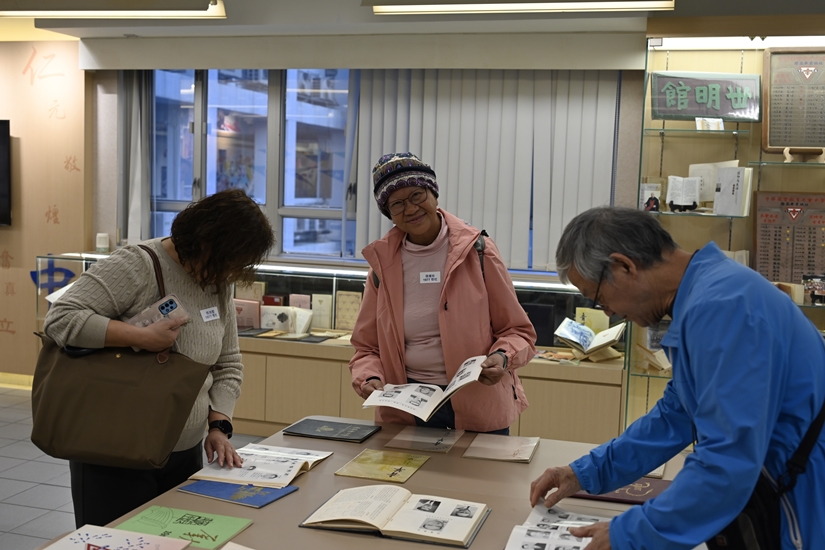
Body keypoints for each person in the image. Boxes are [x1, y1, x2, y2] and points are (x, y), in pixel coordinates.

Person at [529, 206, 825, 550]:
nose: (607, 311)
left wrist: (628, 534)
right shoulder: (708, 292)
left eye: (598, 298)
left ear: (624, 266)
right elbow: (676, 415)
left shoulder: (722, 308)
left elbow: (726, 462)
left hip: (803, 504)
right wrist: (584, 472)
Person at [43, 189, 275, 527]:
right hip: (115, 450)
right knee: (118, 541)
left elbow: (227, 364)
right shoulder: (137, 264)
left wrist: (219, 427)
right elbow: (60, 319)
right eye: (228, 262)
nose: (230, 273)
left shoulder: (216, 280)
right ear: (204, 242)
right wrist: (140, 336)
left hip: (184, 452)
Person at [350, 152, 536, 434]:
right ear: (389, 213)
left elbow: (517, 331)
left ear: (433, 194)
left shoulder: (478, 251)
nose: (410, 209)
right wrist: (368, 377)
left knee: (480, 466)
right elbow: (366, 347)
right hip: (407, 408)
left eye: (416, 195)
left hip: (478, 399)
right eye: (397, 204)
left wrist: (501, 357)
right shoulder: (382, 266)